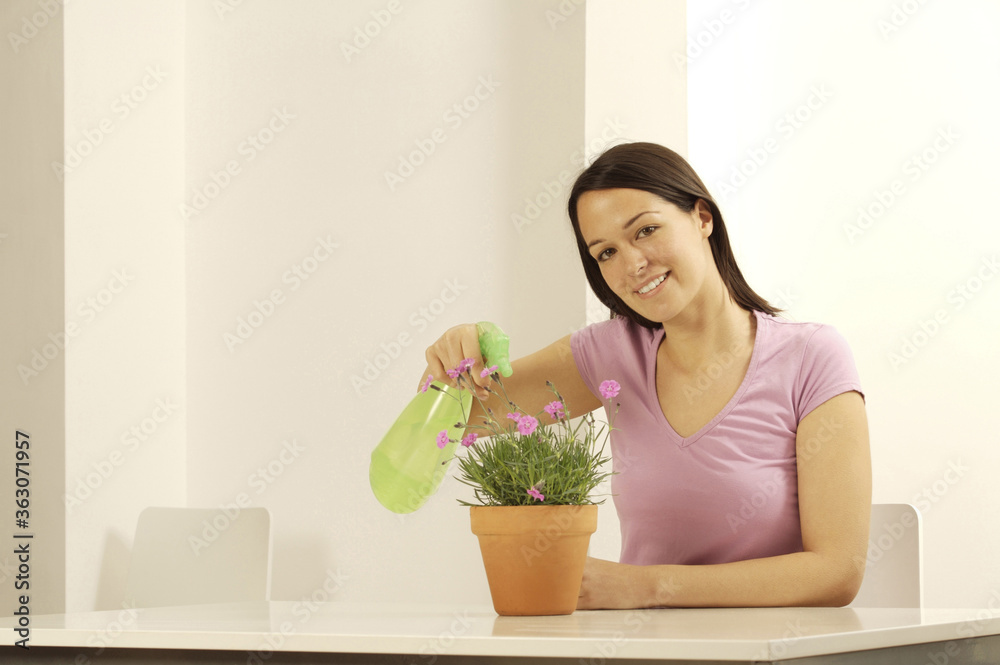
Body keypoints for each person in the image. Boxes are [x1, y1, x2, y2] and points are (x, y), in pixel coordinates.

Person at [422, 142, 871, 609]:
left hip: (774, 651)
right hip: (640, 648)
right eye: (606, 252)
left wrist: (647, 587)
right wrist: (466, 348)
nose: (632, 265)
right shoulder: (611, 353)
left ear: (702, 218)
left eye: (647, 230)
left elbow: (837, 571)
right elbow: (454, 419)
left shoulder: (811, 357)